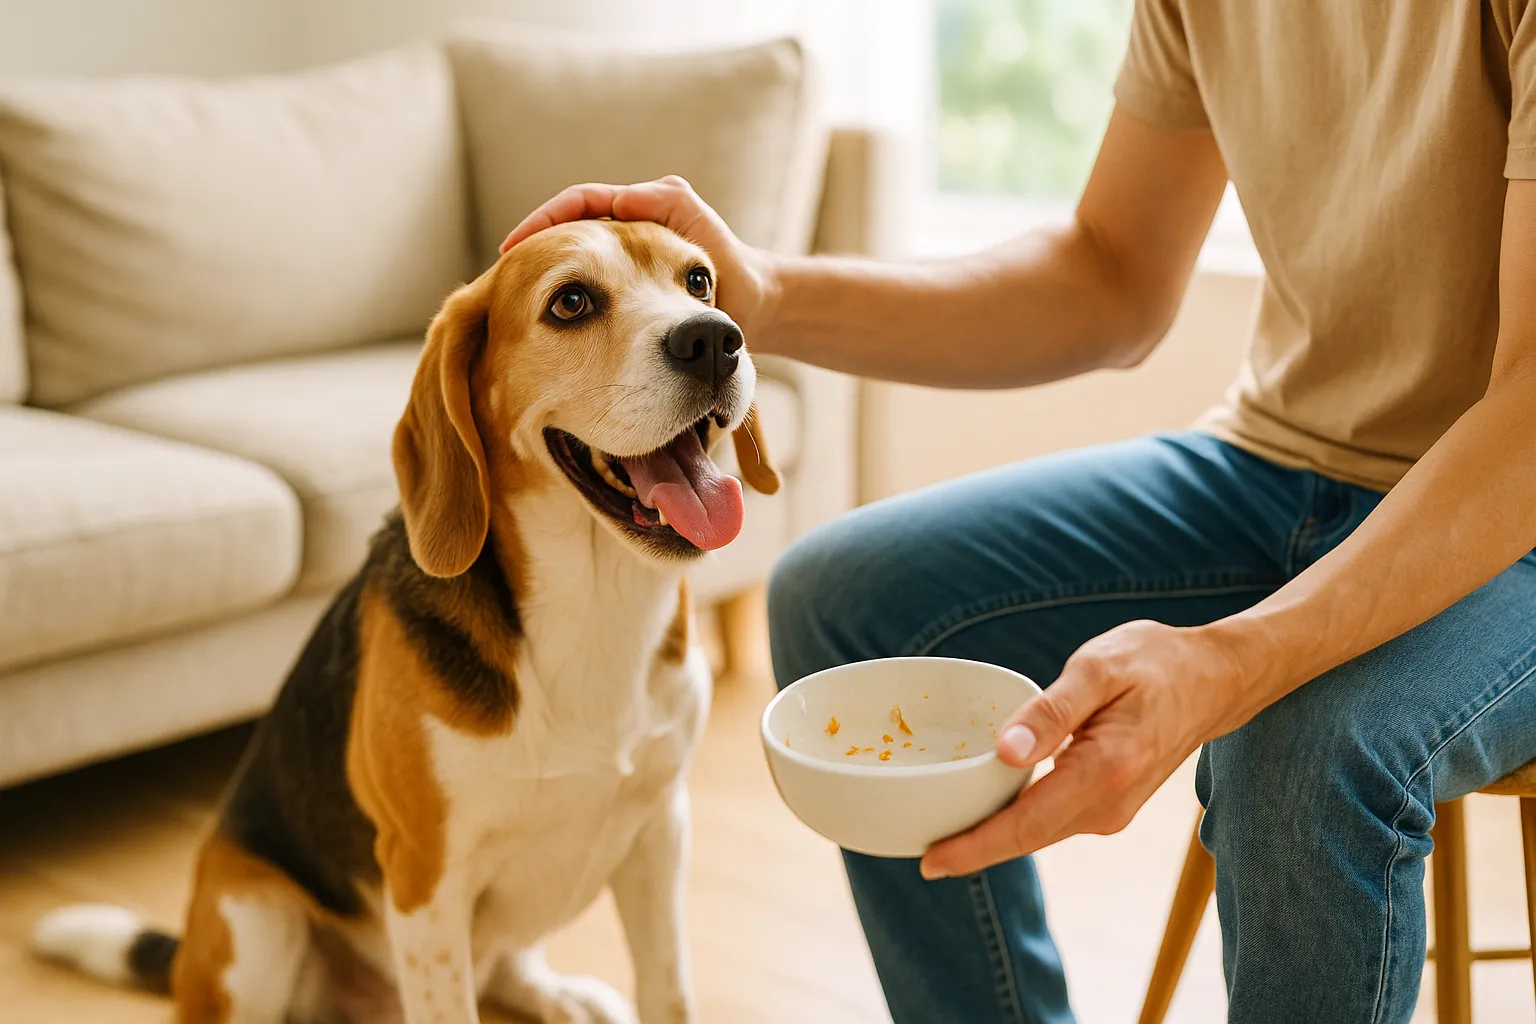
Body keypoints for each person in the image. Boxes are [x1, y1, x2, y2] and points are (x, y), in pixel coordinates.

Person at [499, 3, 1536, 1021]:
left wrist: (1236, 661)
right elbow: (1109, 278)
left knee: (1296, 746)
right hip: (1278, 457)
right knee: (846, 599)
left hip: (1516, 502)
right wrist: (769, 292)